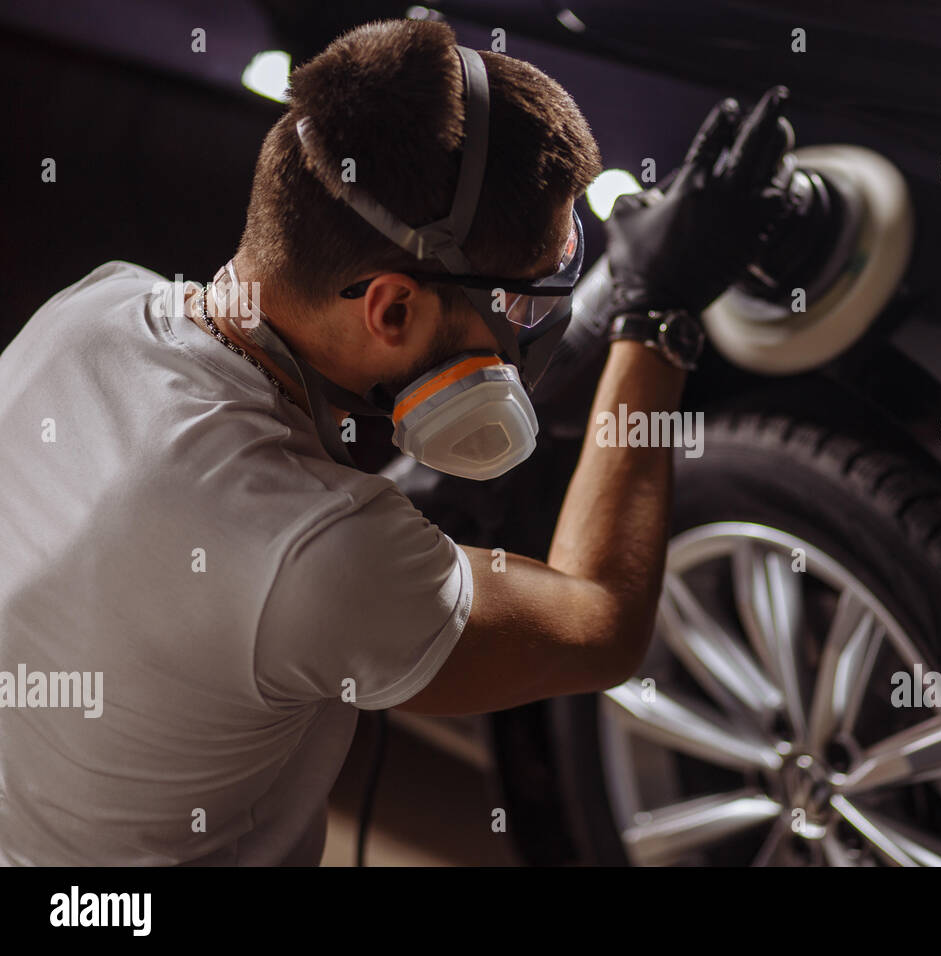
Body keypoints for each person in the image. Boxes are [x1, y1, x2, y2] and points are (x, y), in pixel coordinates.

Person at [0, 18, 790, 864]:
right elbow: (602, 625)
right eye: (517, 307)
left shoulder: (92, 311)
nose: (521, 337)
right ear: (391, 309)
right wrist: (655, 317)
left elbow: (226, 548)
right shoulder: (322, 560)